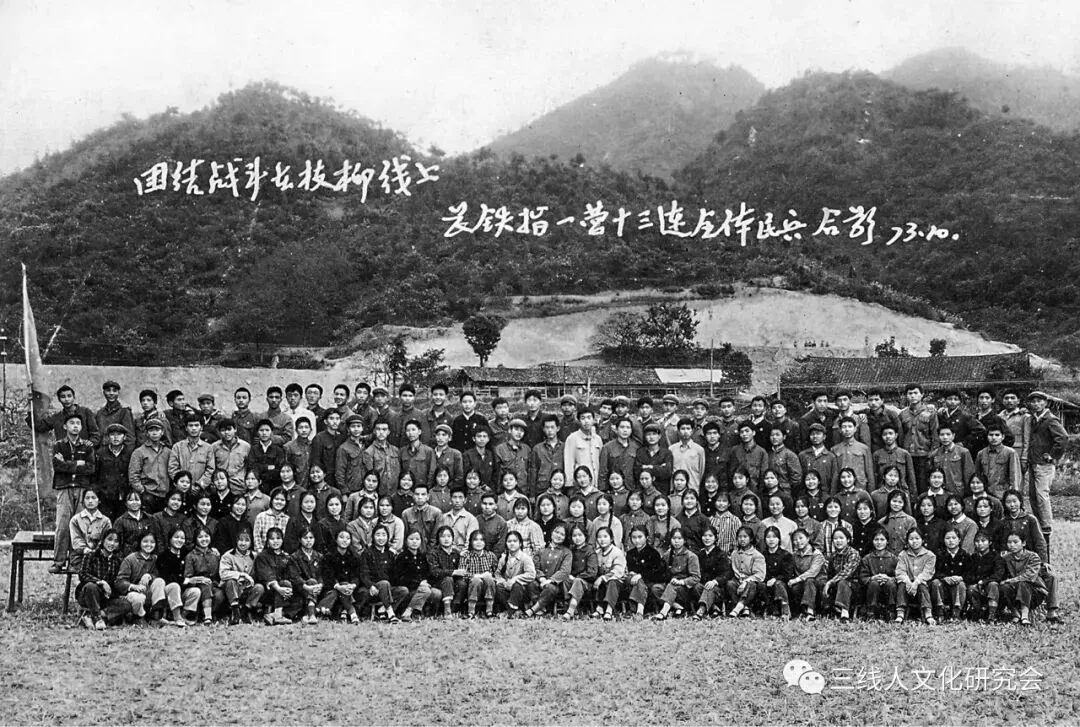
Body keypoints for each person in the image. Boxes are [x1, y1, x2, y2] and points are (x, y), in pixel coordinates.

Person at [49, 411, 98, 573]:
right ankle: (58, 561)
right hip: (64, 488)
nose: (75, 426)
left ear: (81, 427)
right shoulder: (58, 445)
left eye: (78, 423)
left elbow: (91, 468)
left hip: (82, 488)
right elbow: (58, 466)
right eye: (72, 423)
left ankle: (75, 563)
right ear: (65, 426)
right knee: (63, 525)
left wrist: (68, 464)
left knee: (79, 526)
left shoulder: (87, 446)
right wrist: (78, 463)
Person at [1026, 390, 1068, 554]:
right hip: (1034, 462)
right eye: (1033, 401)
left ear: (1045, 403)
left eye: (1039, 401)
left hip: (1044, 464)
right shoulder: (1034, 419)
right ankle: (1039, 524)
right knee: (1033, 496)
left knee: (1042, 494)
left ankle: (1046, 527)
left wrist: (1052, 455)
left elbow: (1062, 438)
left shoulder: (1050, 419)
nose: (1036, 404)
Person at [76, 529, 129, 630]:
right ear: (103, 540)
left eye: (116, 541)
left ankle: (90, 616)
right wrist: (100, 582)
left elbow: (116, 582)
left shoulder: (117, 561)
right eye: (109, 539)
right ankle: (98, 619)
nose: (112, 543)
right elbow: (82, 574)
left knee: (126, 605)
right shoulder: (91, 555)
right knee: (91, 586)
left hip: (105, 598)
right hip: (88, 594)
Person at [524, 524, 573, 618]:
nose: (558, 536)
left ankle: (533, 609)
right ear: (551, 533)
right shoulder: (541, 550)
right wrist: (542, 578)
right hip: (540, 581)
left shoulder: (566, 552)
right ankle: (542, 608)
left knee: (550, 588)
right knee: (531, 584)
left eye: (562, 534)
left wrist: (550, 580)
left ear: (565, 538)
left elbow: (565, 571)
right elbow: (535, 567)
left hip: (556, 584)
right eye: (556, 532)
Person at [651, 528, 701, 620]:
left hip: (685, 589)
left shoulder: (691, 556)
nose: (676, 541)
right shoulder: (668, 554)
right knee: (656, 588)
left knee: (672, 585)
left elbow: (696, 577)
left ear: (684, 540)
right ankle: (678, 607)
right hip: (671, 586)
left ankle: (663, 612)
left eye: (679, 538)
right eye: (674, 538)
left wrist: (681, 582)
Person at [358, 525, 404, 623]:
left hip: (387, 589)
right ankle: (391, 614)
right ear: (373, 536)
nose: (381, 538)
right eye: (378, 535)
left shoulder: (390, 554)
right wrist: (371, 585)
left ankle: (382, 610)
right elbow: (364, 574)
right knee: (384, 583)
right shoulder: (367, 553)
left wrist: (397, 558)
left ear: (388, 537)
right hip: (373, 588)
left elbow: (394, 576)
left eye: (384, 535)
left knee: (403, 590)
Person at [219, 527, 264, 624]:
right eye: (241, 540)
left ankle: (246, 611)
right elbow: (223, 574)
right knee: (231, 582)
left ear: (251, 542)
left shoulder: (254, 556)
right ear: (236, 541)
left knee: (259, 587)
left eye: (247, 540)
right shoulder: (228, 556)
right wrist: (242, 575)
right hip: (232, 590)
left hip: (247, 589)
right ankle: (235, 611)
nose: (243, 543)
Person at [115, 531, 162, 623]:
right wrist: (133, 586)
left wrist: (150, 576)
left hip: (149, 592)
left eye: (152, 542)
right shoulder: (130, 559)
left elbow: (158, 575)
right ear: (140, 542)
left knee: (160, 581)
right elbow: (119, 581)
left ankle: (155, 614)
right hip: (133, 593)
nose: (149, 545)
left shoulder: (155, 559)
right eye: (145, 541)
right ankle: (138, 617)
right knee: (138, 598)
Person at [999, 531, 1044, 626]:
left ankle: (1025, 616)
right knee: (1003, 587)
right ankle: (1015, 614)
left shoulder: (1033, 557)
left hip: (1035, 592)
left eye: (1015, 542)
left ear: (1023, 543)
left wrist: (1010, 580)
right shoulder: (1006, 558)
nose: (1012, 545)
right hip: (1015, 590)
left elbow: (1029, 576)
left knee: (1023, 583)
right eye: (1009, 542)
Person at [254, 526, 298, 625]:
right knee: (284, 583)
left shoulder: (286, 556)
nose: (275, 541)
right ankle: (278, 616)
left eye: (278, 538)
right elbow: (267, 576)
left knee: (299, 598)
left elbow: (293, 574)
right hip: (269, 591)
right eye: (272, 539)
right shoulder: (262, 556)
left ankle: (272, 615)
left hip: (285, 591)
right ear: (267, 541)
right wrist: (279, 588)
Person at [623, 526, 668, 620]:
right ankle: (638, 609)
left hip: (649, 581)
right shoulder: (630, 554)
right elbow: (631, 570)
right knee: (633, 580)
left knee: (640, 581)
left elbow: (657, 573)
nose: (637, 540)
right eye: (634, 537)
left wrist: (641, 575)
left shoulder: (653, 553)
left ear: (646, 537)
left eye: (640, 537)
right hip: (633, 581)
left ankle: (637, 610)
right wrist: (633, 574)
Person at [899, 384, 938, 493]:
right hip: (907, 455)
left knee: (923, 485)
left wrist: (932, 455)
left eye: (916, 393)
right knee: (909, 484)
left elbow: (935, 435)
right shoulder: (903, 414)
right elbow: (901, 436)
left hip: (924, 455)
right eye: (910, 393)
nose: (913, 396)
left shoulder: (930, 413)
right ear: (906, 396)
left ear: (922, 395)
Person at [391, 530, 437, 621]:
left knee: (436, 593)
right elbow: (399, 578)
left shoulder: (422, 556)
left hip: (422, 587)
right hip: (409, 588)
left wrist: (426, 582)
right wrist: (418, 583)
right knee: (425, 591)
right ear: (406, 541)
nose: (414, 542)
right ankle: (408, 612)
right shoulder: (402, 557)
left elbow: (429, 574)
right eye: (411, 539)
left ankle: (426, 613)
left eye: (417, 539)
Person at [319, 530, 363, 623]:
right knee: (338, 589)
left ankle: (321, 609)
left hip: (350, 589)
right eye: (341, 537)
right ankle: (352, 613)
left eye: (348, 538)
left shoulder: (354, 556)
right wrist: (338, 586)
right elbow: (328, 576)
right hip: (333, 587)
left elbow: (356, 575)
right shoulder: (329, 556)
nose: (345, 540)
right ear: (336, 539)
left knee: (346, 586)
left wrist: (353, 585)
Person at [895, 528, 937, 625]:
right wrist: (907, 581)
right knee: (902, 584)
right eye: (911, 539)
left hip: (922, 585)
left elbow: (927, 572)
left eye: (917, 538)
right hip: (908, 585)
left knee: (922, 585)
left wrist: (916, 582)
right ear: (907, 541)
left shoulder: (930, 555)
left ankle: (928, 614)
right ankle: (900, 613)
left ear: (922, 540)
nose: (914, 541)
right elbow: (900, 571)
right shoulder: (903, 555)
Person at [128, 418, 170, 514]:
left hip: (165, 494)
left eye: (157, 430)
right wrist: (142, 491)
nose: (154, 433)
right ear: (147, 433)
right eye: (151, 430)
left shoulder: (168, 451)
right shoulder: (139, 452)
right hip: (148, 494)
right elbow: (133, 475)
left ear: (162, 432)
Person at [182, 526, 222, 624]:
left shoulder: (214, 554)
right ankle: (208, 617)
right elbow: (188, 576)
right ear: (195, 539)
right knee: (205, 585)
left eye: (206, 536)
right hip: (197, 586)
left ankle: (208, 614)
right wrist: (199, 579)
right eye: (200, 537)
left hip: (214, 584)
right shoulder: (191, 556)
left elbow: (219, 574)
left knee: (219, 595)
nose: (204, 539)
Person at [930, 527, 970, 623]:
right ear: (944, 540)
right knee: (935, 583)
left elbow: (970, 573)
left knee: (961, 585)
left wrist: (961, 577)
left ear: (959, 540)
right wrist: (944, 578)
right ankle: (940, 613)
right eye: (947, 538)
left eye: (954, 538)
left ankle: (956, 614)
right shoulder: (939, 555)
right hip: (943, 585)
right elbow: (934, 572)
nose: (951, 541)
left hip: (957, 586)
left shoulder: (965, 555)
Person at [493, 531, 536, 617]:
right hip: (507, 588)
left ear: (520, 544)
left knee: (517, 586)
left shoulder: (525, 558)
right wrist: (503, 582)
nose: (512, 543)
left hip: (521, 591)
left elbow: (531, 574)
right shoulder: (503, 558)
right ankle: (515, 611)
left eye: (515, 541)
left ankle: (510, 612)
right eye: (509, 541)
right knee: (498, 586)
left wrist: (515, 579)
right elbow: (498, 574)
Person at [68, 489, 112, 573]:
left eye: (93, 498)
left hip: (100, 556)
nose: (90, 501)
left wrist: (97, 550)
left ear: (99, 500)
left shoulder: (106, 521)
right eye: (87, 498)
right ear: (83, 501)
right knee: (86, 569)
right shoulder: (75, 520)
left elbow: (107, 540)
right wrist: (85, 549)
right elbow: (76, 540)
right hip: (79, 556)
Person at [821, 527, 860, 621]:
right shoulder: (833, 555)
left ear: (848, 540)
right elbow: (830, 574)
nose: (838, 541)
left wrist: (830, 582)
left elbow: (846, 572)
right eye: (835, 538)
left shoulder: (853, 553)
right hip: (836, 584)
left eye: (841, 538)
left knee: (843, 582)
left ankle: (844, 613)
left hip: (853, 585)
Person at [857, 530, 898, 620]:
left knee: (890, 584)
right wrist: (872, 578)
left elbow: (899, 576)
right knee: (874, 584)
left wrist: (889, 578)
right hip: (872, 590)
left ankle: (891, 611)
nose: (879, 542)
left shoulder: (893, 558)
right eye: (876, 540)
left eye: (882, 540)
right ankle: (871, 612)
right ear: (872, 541)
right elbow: (862, 577)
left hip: (889, 589)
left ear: (887, 541)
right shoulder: (867, 559)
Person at [726, 526, 765, 618]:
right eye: (740, 537)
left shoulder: (757, 555)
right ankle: (744, 608)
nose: (742, 539)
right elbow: (735, 570)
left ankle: (739, 607)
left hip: (752, 582)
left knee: (751, 585)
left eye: (745, 537)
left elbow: (760, 575)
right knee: (730, 584)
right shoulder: (735, 554)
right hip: (738, 580)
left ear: (751, 539)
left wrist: (746, 581)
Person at [787, 528, 826, 621]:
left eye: (801, 538)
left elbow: (812, 572)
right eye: (795, 540)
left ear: (808, 538)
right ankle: (798, 611)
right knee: (794, 588)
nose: (798, 541)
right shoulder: (794, 555)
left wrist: (796, 579)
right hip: (803, 583)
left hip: (818, 583)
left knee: (809, 581)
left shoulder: (816, 554)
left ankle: (810, 611)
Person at [966, 530, 1005, 622]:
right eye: (977, 541)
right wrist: (976, 582)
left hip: (991, 587)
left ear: (990, 542)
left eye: (983, 541)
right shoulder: (973, 558)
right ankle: (979, 612)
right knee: (971, 589)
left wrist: (984, 582)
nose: (980, 544)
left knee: (993, 585)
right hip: (977, 586)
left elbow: (998, 575)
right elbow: (968, 574)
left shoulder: (996, 557)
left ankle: (992, 615)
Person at [168, 414, 214, 490]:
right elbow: (172, 469)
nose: (193, 428)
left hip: (201, 490)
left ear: (201, 427)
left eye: (196, 425)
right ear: (186, 428)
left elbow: (210, 470)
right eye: (190, 425)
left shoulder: (208, 448)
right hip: (181, 489)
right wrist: (184, 484)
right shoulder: (177, 447)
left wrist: (199, 486)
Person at [458, 530, 498, 619]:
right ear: (471, 542)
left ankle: (489, 610)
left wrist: (487, 575)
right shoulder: (466, 555)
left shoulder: (490, 555)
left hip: (488, 586)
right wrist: (476, 576)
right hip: (472, 586)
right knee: (476, 580)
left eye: (481, 540)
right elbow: (462, 573)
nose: (479, 542)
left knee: (489, 578)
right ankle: (471, 611)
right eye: (475, 540)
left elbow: (496, 572)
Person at [758, 526, 795, 619]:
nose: (771, 540)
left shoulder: (786, 555)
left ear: (779, 539)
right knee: (761, 585)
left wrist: (775, 579)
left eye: (774, 537)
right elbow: (760, 571)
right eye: (768, 537)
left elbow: (788, 574)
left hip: (782, 584)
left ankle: (785, 610)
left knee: (778, 584)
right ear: (765, 539)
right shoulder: (762, 555)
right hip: (767, 582)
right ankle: (770, 609)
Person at [156, 527, 189, 627]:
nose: (179, 540)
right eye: (176, 537)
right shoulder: (163, 556)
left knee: (195, 591)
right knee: (174, 586)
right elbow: (166, 577)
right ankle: (177, 617)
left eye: (182, 538)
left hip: (183, 589)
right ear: (170, 539)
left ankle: (185, 616)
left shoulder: (186, 554)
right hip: (167, 590)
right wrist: (184, 580)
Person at [591, 526, 626, 621]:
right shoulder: (597, 553)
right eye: (599, 537)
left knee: (612, 582)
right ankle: (599, 608)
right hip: (603, 581)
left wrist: (603, 578)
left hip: (618, 581)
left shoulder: (617, 552)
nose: (602, 540)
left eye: (605, 536)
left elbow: (618, 571)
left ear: (611, 539)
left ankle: (609, 610)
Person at [310, 409, 346, 490]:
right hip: (326, 479)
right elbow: (316, 461)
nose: (335, 421)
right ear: (326, 421)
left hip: (339, 479)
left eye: (337, 419)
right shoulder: (319, 438)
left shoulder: (341, 437)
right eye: (331, 418)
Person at [798, 423, 839, 495]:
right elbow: (800, 477)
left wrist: (832, 495)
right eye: (812, 434)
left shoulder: (831, 457)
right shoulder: (803, 455)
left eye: (818, 434)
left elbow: (834, 478)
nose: (815, 436)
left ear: (824, 437)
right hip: (807, 494)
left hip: (825, 494)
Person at [634, 423, 674, 494]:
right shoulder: (640, 452)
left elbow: (667, 472)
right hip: (643, 491)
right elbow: (637, 470)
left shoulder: (666, 453)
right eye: (648, 434)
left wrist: (649, 467)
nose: (651, 437)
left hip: (661, 491)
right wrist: (659, 467)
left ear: (659, 436)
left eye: (654, 434)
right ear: (645, 437)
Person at [879, 490, 918, 555]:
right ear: (889, 502)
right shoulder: (881, 522)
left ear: (904, 504)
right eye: (894, 501)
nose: (896, 504)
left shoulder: (910, 521)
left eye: (900, 502)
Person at [253, 488, 290, 553]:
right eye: (276, 499)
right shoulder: (261, 516)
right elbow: (256, 537)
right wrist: (261, 553)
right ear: (272, 500)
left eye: (282, 500)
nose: (279, 502)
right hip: (263, 554)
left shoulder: (287, 519)